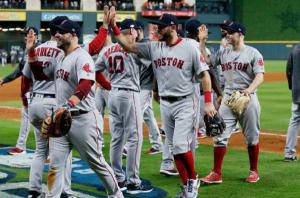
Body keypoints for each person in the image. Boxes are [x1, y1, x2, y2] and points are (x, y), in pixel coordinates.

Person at [109, 10, 216, 197]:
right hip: (166, 104)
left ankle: (193, 180)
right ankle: (187, 188)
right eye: (156, 26)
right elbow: (128, 46)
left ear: (173, 28)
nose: (156, 28)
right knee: (175, 148)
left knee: (182, 146)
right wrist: (114, 27)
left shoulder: (190, 47)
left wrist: (208, 102)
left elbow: (205, 75)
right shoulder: (154, 47)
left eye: (161, 26)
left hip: (185, 102)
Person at [26, 16, 123, 197]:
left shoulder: (82, 57)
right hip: (62, 120)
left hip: (84, 119)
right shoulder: (60, 57)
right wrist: (31, 51)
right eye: (56, 33)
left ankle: (116, 194)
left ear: (73, 34)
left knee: (97, 162)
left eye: (61, 33)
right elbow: (39, 75)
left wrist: (68, 105)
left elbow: (85, 84)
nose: (57, 35)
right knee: (56, 164)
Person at [200, 22, 264, 184]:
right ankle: (216, 173)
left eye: (231, 32)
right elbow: (206, 61)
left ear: (240, 34)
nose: (227, 35)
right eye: (227, 32)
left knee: (251, 137)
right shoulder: (224, 52)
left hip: (247, 97)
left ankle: (254, 171)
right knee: (219, 134)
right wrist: (202, 42)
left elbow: (260, 75)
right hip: (228, 98)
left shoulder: (253, 53)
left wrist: (249, 89)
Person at [95, 18, 153, 194]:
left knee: (117, 137)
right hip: (129, 94)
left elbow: (95, 71)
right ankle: (134, 181)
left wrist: (106, 86)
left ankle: (118, 178)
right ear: (132, 31)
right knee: (135, 137)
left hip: (112, 94)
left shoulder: (107, 49)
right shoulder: (135, 50)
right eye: (135, 31)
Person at [22, 17, 75, 198]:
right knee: (62, 150)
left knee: (40, 151)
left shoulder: (35, 49)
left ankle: (34, 191)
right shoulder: (62, 51)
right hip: (53, 104)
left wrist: (26, 103)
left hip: (35, 102)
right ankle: (63, 192)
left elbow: (26, 79)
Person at [0, 27, 39, 155]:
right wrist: (4, 79)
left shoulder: (40, 51)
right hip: (28, 93)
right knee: (28, 118)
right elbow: (19, 72)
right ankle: (21, 146)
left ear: (36, 37)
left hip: (38, 92)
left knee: (39, 121)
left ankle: (43, 150)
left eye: (29, 35)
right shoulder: (27, 52)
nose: (26, 37)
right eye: (25, 35)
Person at [284, 43, 300, 162]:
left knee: (295, 119)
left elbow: (289, 69)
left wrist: (292, 86)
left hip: (297, 91)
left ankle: (289, 153)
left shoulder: (295, 48)